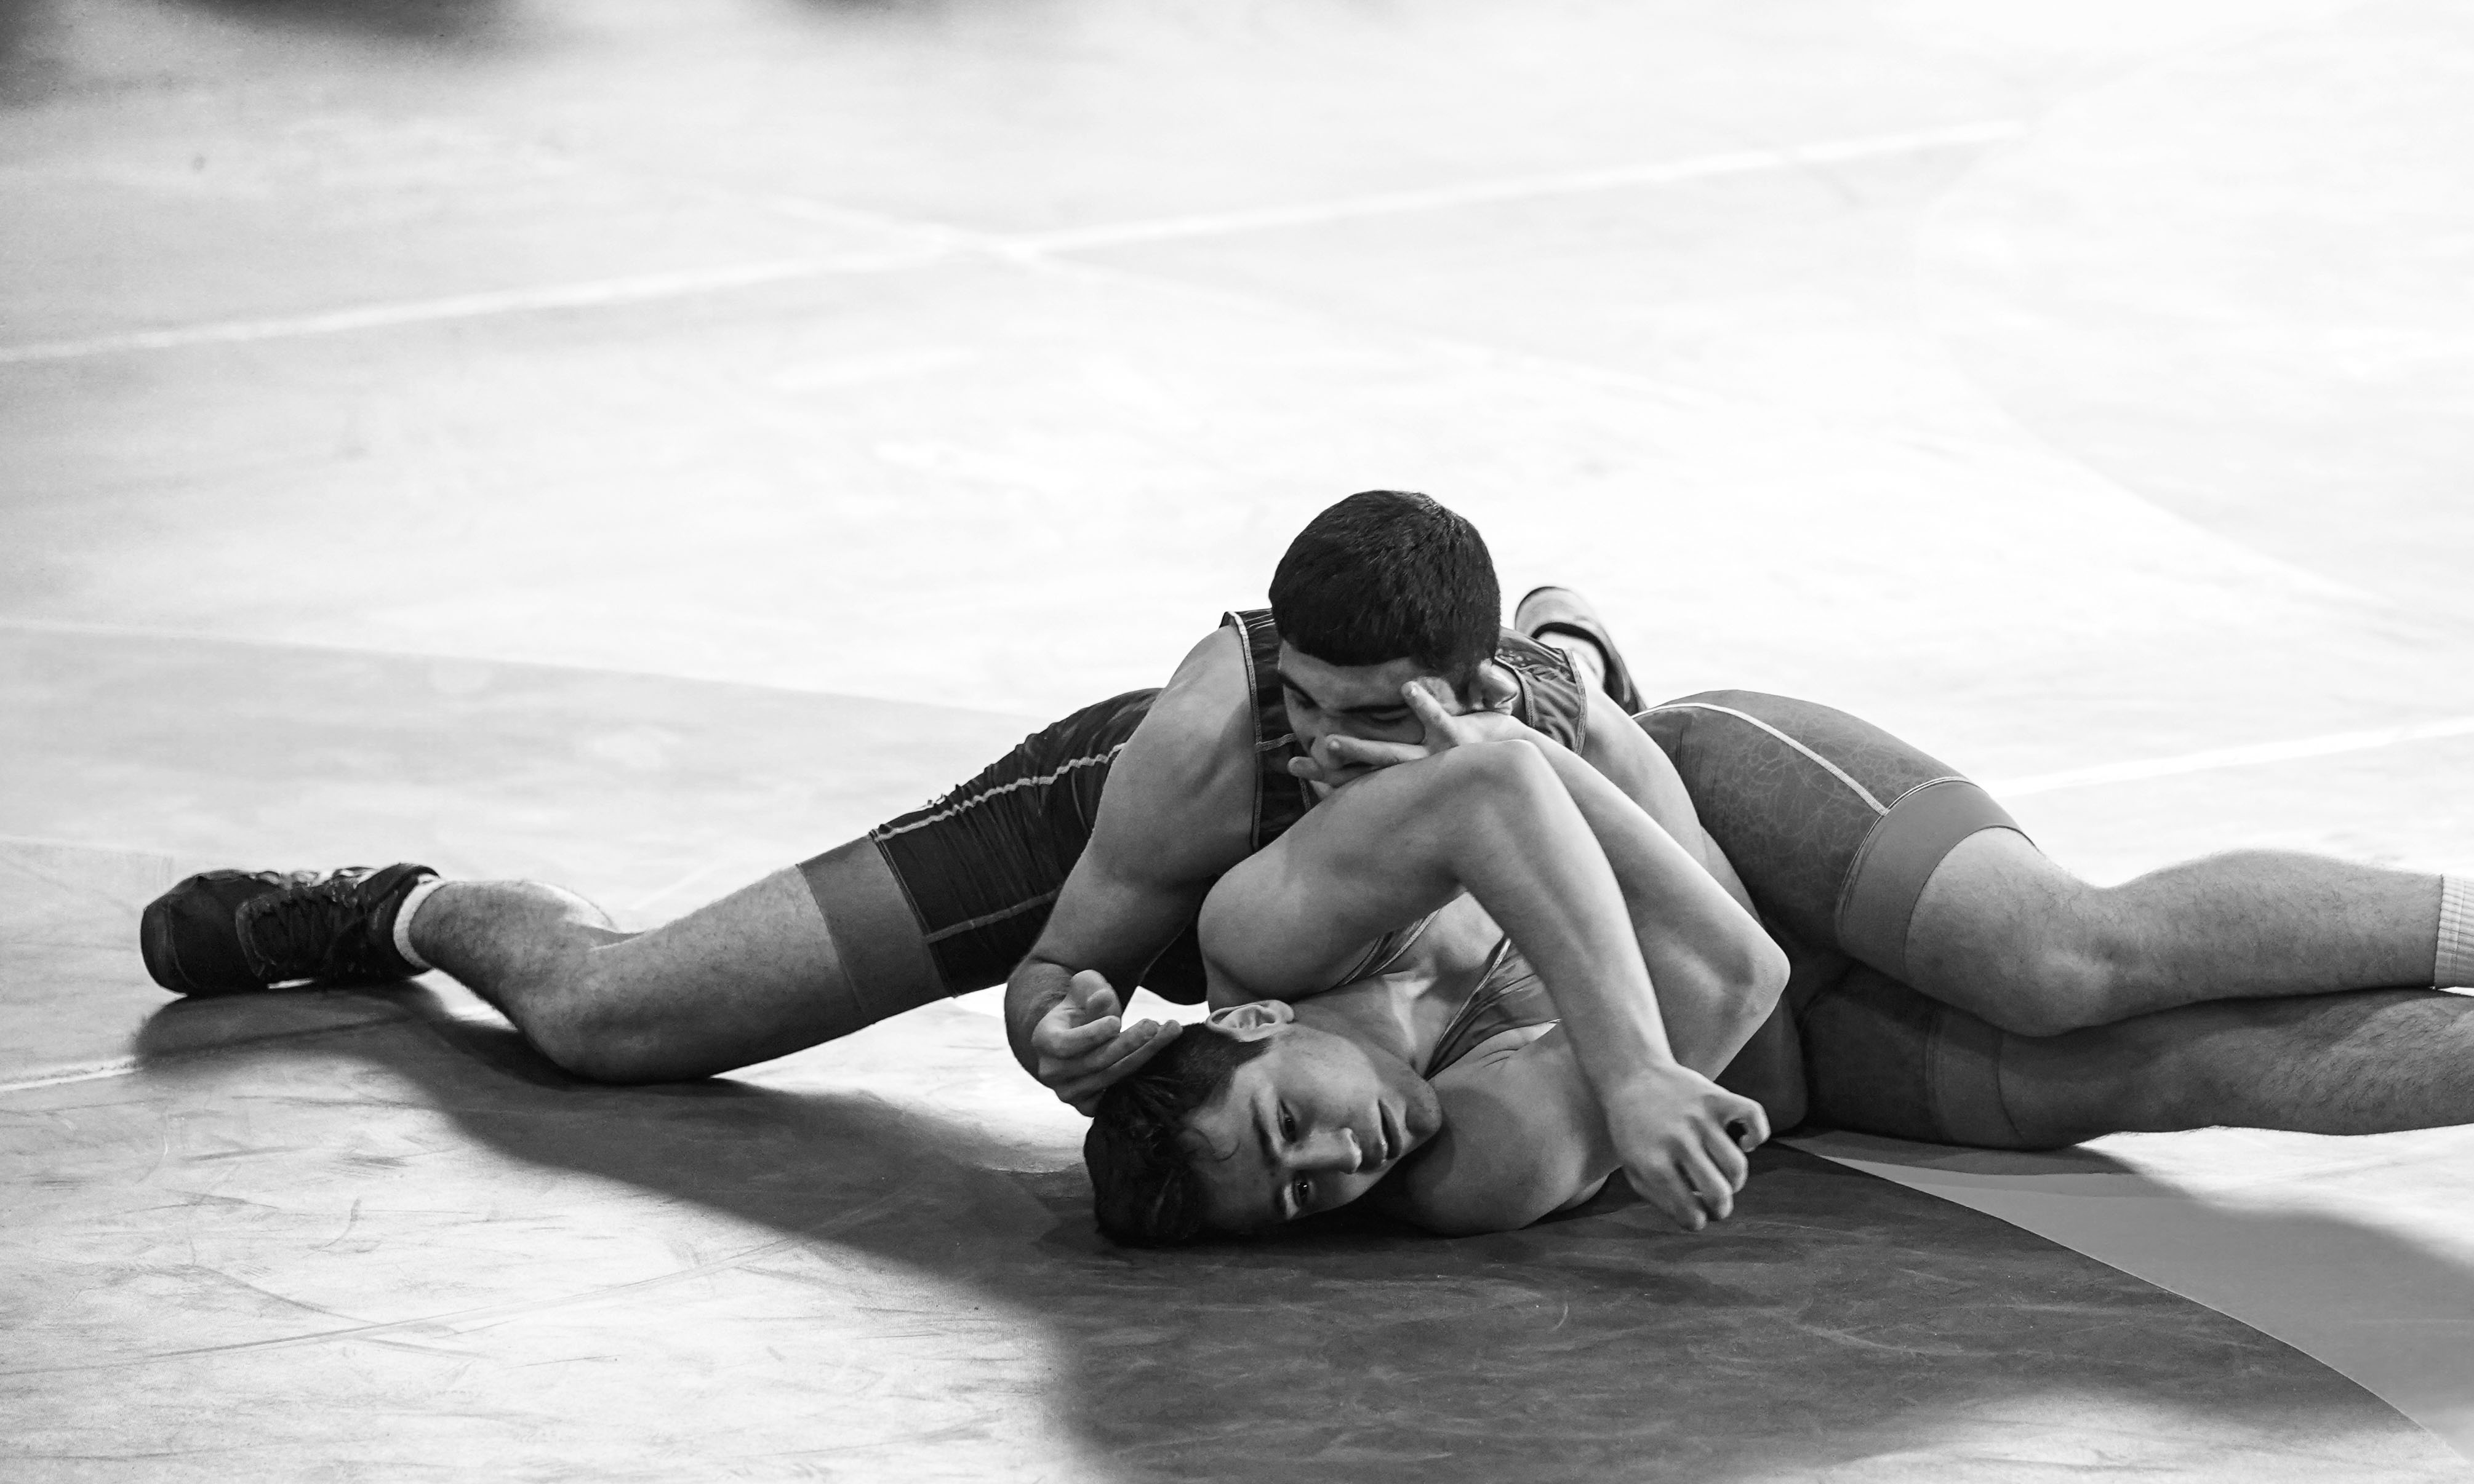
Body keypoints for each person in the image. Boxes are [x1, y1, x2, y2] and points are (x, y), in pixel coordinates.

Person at [130, 493, 1705, 1104]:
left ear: (1468, 691)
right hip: (1104, 839)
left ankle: (1573, 629)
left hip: (1384, 869)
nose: (1316, 740)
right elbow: (1058, 969)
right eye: (1300, 695)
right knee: (611, 1020)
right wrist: (1066, 1029)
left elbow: (1718, 961)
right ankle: (401, 908)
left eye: (1363, 718)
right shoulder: (1211, 741)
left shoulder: (1528, 742)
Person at [1086, 682, 2474, 1243]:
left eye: (1285, 1122)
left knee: (2059, 955)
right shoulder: (1469, 1176)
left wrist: (1574, 711)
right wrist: (1573, 746)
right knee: (2147, 1079)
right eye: (1299, 1202)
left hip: (1737, 796)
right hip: (1781, 1028)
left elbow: (1490, 778)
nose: (1335, 1162)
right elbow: (1729, 980)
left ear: (1254, 1021)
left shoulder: (1266, 930)